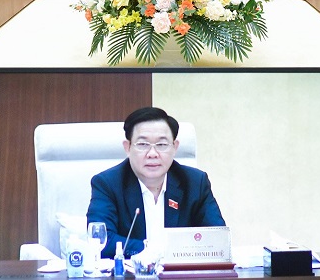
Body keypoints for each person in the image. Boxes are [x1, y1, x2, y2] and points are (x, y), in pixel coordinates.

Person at [86, 107, 225, 258]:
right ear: (127, 147)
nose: (152, 154)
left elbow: (217, 238)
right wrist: (154, 251)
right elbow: (100, 241)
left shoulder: (195, 182)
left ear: (175, 147)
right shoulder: (107, 184)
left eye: (162, 145)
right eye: (143, 144)